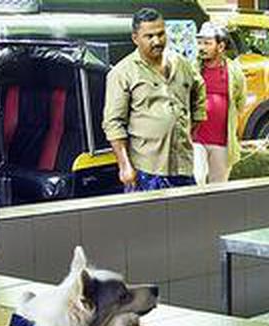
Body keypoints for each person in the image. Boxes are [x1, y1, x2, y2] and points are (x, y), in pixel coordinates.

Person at [103, 8, 207, 192]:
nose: (157, 41)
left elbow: (198, 87)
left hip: (183, 164)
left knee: (187, 218)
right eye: (149, 36)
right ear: (135, 38)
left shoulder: (180, 63)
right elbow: (113, 123)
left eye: (160, 34)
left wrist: (194, 123)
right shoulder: (122, 73)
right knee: (148, 220)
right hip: (146, 169)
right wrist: (124, 166)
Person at [193, 22, 246, 184]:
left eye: (207, 43)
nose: (202, 47)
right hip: (196, 139)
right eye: (200, 42)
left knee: (218, 187)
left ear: (221, 46)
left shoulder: (234, 71)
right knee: (197, 180)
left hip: (222, 142)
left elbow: (240, 102)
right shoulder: (192, 68)